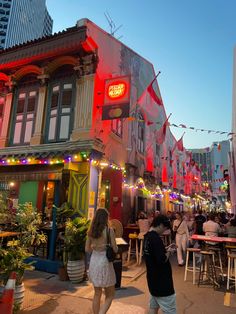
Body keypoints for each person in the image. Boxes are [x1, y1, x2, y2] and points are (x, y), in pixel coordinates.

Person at [85, 208, 118, 314]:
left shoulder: (91, 231)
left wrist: (95, 246)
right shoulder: (109, 230)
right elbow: (115, 249)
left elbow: (87, 249)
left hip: (94, 261)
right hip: (105, 263)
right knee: (110, 295)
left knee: (97, 293)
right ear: (106, 218)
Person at [144, 215, 176, 314]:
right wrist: (170, 251)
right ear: (161, 225)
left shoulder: (147, 237)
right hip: (162, 282)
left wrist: (165, 248)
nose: (164, 231)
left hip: (152, 279)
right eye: (165, 228)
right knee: (170, 310)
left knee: (153, 307)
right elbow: (162, 259)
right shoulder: (155, 239)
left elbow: (154, 254)